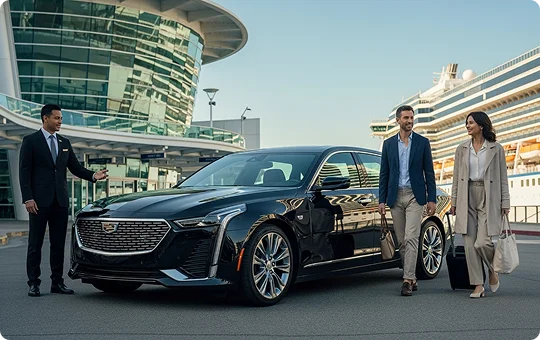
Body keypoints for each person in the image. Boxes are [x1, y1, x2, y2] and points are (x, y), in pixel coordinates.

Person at [19, 104, 108, 297]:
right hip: (38, 202)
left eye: (61, 118)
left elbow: (75, 168)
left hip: (60, 202)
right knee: (35, 244)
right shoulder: (30, 141)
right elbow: (24, 172)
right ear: (45, 118)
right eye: (57, 118)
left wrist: (94, 175)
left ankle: (57, 283)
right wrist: (28, 198)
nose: (60, 122)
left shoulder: (64, 142)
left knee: (58, 244)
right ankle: (33, 283)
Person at [450, 111, 509, 298]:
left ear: (481, 125)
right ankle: (477, 285)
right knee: (469, 244)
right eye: (466, 123)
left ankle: (493, 269)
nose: (467, 126)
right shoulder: (461, 149)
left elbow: (503, 178)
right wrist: (454, 201)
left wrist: (505, 202)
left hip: (488, 195)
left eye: (471, 123)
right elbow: (456, 178)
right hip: (466, 195)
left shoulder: (496, 148)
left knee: (482, 242)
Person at [378, 105, 436, 296]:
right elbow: (384, 174)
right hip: (395, 197)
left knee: (412, 237)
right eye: (406, 118)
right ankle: (412, 277)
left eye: (412, 118)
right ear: (398, 120)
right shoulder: (388, 145)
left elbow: (429, 172)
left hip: (415, 196)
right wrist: (381, 200)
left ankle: (407, 280)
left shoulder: (422, 142)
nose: (410, 121)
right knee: (402, 241)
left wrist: (431, 199)